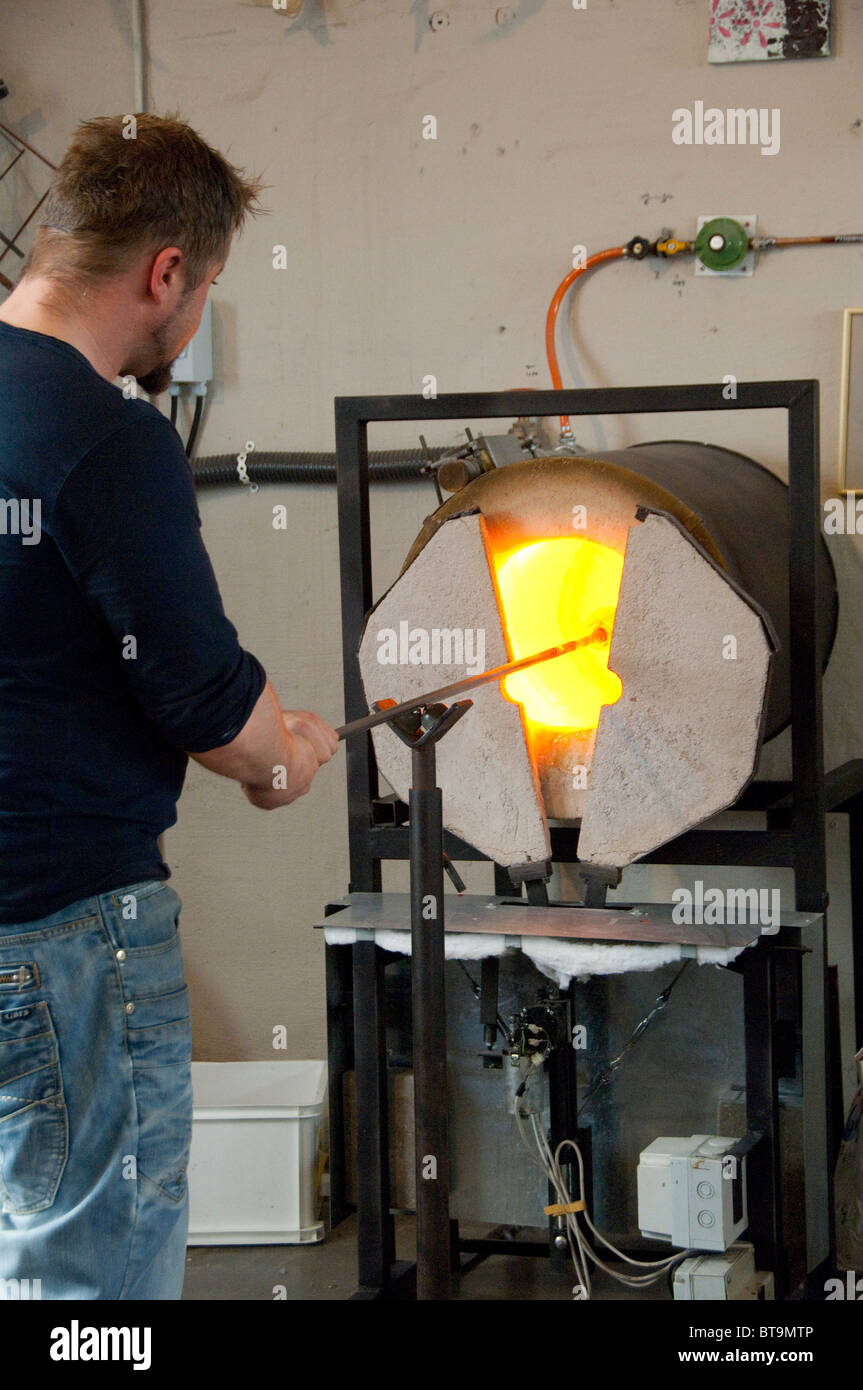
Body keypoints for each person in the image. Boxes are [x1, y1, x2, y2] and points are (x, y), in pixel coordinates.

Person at [0, 113, 338, 1299]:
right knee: (94, 1276)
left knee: (24, 1249)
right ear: (166, 273)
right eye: (206, 291)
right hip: (64, 929)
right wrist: (280, 757)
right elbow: (198, 692)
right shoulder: (107, 436)